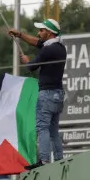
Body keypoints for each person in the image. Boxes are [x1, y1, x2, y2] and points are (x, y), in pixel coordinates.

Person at [9, 18, 68, 164]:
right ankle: (60, 159)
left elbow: (31, 66)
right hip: (58, 94)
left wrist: (26, 60)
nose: (38, 32)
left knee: (42, 127)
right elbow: (36, 42)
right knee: (53, 131)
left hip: (47, 94)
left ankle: (45, 161)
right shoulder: (59, 47)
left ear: (49, 32)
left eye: (41, 30)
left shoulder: (49, 49)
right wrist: (20, 35)